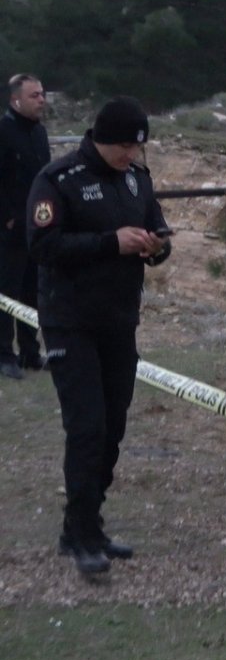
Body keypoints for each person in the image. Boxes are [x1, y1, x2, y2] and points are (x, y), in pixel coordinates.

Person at [26, 97, 170, 574]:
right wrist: (112, 243)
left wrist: (155, 246)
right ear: (102, 139)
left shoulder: (137, 179)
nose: (131, 155)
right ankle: (83, 535)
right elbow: (43, 245)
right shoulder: (59, 179)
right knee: (86, 428)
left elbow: (157, 229)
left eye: (137, 147)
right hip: (70, 321)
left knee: (112, 428)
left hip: (119, 321)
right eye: (124, 146)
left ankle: (85, 523)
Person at [0, 74, 51, 379]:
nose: (41, 100)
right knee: (7, 292)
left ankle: (30, 352)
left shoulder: (39, 133)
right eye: (34, 95)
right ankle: (4, 354)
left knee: (33, 290)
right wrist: (7, 217)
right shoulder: (3, 132)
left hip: (37, 227)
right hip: (8, 230)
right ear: (15, 100)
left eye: (42, 94)